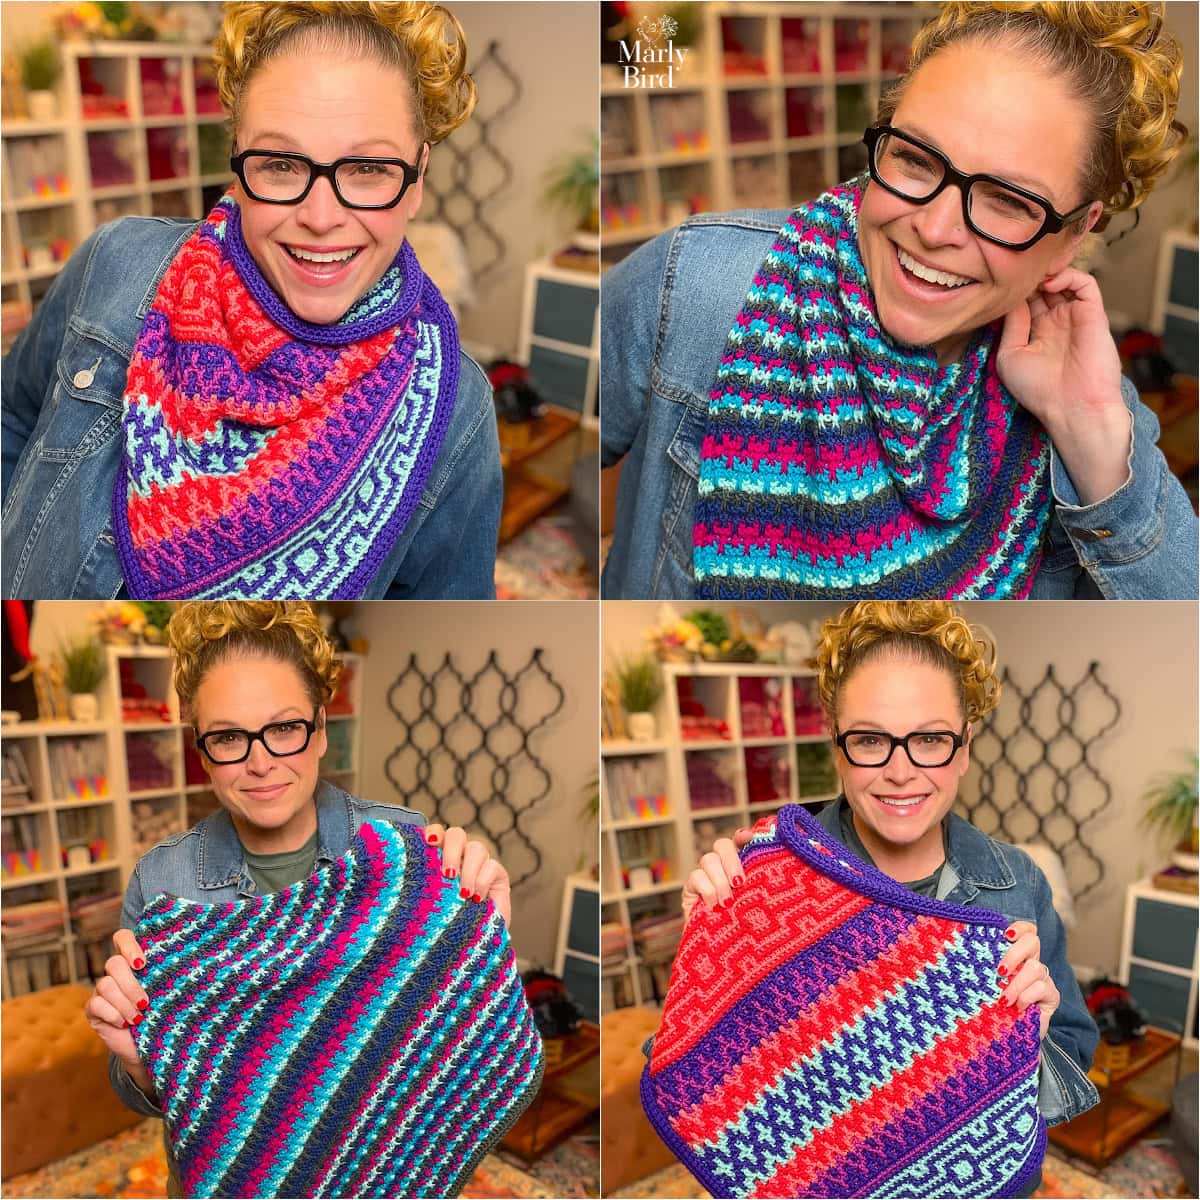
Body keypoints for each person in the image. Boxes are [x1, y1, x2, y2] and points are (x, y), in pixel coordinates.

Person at [601, 1, 1197, 600]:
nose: (935, 229)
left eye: (1007, 201)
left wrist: (1086, 430)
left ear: (1074, 233)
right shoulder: (698, 285)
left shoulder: (1085, 399)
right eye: (915, 159)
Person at [3, 1, 502, 600]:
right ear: (238, 165)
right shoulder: (116, 267)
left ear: (417, 179)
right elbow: (11, 418)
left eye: (368, 168)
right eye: (282, 165)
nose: (321, 219)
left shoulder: (457, 413)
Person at [83, 601, 511, 1197]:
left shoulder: (405, 852)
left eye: (283, 728)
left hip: (385, 1168)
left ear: (320, 729)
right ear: (202, 750)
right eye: (229, 737)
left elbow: (459, 1053)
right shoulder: (164, 882)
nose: (260, 763)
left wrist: (484, 938)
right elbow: (149, 1094)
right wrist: (137, 1059)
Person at [677, 601, 1099, 1196]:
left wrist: (1035, 1034)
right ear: (837, 745)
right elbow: (702, 1085)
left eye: (929, 739)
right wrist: (710, 952)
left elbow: (1072, 1063)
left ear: (965, 743)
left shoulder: (1019, 883)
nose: (901, 771)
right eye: (871, 739)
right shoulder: (769, 875)